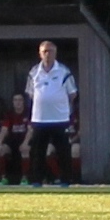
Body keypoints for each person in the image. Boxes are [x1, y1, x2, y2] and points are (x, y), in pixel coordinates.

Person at [25, 40, 78, 188]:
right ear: (40, 54)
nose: (48, 54)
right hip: (39, 119)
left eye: (51, 51)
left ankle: (66, 180)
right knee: (37, 152)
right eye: (45, 51)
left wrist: (62, 108)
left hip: (59, 119)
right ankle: (36, 180)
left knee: (63, 151)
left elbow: (72, 94)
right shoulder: (34, 72)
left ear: (55, 53)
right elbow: (30, 94)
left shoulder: (64, 72)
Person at [0, 92, 32, 185]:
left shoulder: (29, 113)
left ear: (24, 101)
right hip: (12, 141)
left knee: (25, 150)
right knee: (0, 150)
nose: (18, 102)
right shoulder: (9, 114)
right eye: (15, 100)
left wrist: (25, 142)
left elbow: (30, 130)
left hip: (25, 140)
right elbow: (4, 129)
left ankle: (24, 179)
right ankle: (3, 179)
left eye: (20, 100)